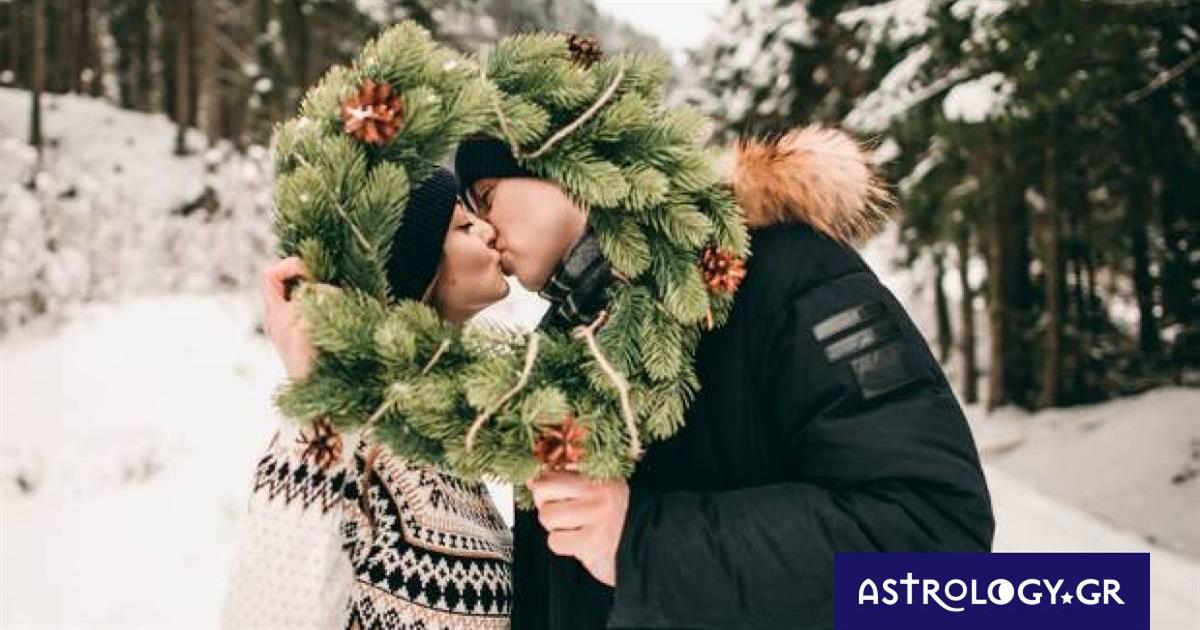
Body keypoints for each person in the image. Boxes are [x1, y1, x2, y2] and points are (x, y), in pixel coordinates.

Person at [452, 128, 996, 629]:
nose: (482, 226)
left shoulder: (786, 270)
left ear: (567, 160)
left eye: (486, 194)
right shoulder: (558, 347)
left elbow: (936, 540)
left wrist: (641, 541)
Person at [223, 168, 515, 630]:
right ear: (416, 272)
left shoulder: (443, 435)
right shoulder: (347, 439)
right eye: (463, 226)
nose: (489, 229)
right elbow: (266, 613)